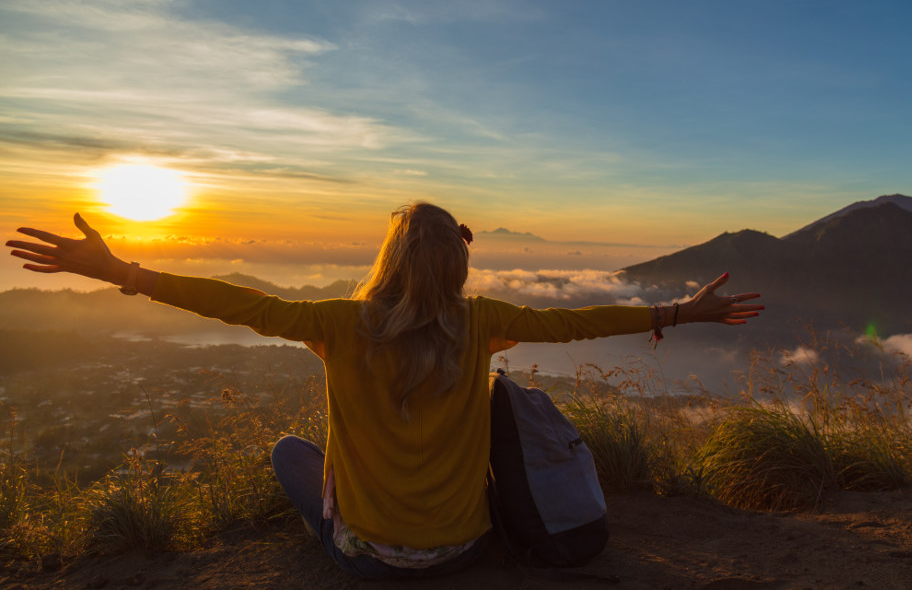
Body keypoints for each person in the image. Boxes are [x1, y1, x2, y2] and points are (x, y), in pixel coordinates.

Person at [6, 202, 763, 579]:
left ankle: (347, 527)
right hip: (467, 547)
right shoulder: (484, 324)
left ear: (388, 257)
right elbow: (577, 324)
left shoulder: (337, 322)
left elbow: (231, 300)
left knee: (288, 451)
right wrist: (678, 312)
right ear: (457, 270)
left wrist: (121, 272)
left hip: (373, 558)